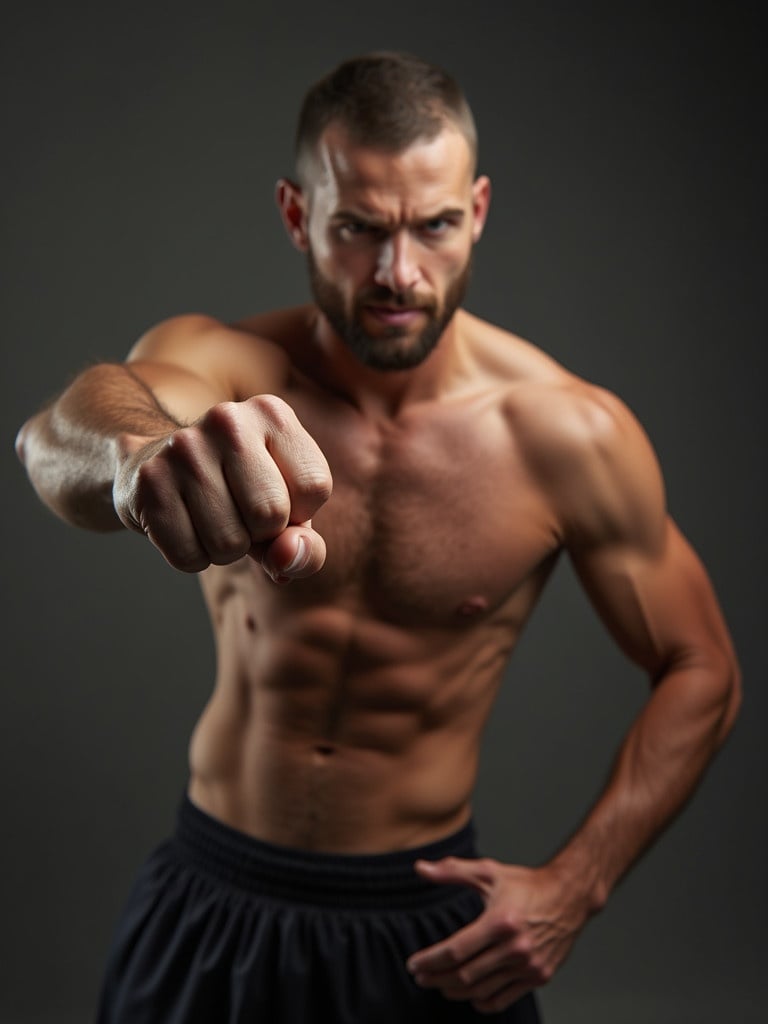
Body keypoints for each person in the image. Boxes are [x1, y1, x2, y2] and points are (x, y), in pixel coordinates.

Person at [16, 51, 740, 1024]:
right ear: (296, 214)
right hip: (214, 893)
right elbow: (58, 435)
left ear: (476, 211)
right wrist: (138, 455)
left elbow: (704, 666)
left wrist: (578, 884)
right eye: (358, 228)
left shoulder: (568, 434)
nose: (399, 273)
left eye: (435, 226)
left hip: (423, 926)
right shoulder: (226, 367)